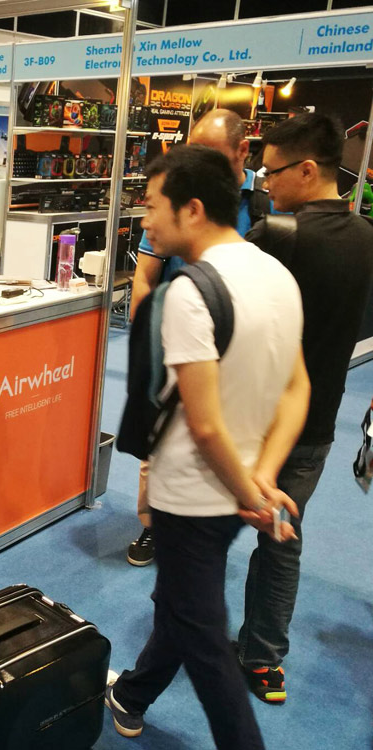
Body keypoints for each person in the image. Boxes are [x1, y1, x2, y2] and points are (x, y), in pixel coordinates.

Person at [103, 145, 308, 749]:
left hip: (192, 494)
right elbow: (298, 388)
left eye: (152, 206)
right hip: (233, 491)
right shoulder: (277, 274)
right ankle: (133, 693)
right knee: (182, 604)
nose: (146, 221)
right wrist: (262, 477)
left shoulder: (191, 292)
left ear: (192, 209)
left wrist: (254, 495)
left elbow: (205, 425)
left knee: (205, 642)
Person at [233, 113, 373, 703]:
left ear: (308, 170)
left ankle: (176, 649)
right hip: (317, 423)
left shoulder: (277, 233)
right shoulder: (367, 237)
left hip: (252, 421)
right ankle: (265, 659)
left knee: (198, 533)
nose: (265, 183)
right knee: (282, 537)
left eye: (272, 172)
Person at [125, 108, 272, 567]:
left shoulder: (264, 204)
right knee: (162, 436)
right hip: (176, 340)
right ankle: (152, 524)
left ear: (242, 151)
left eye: (211, 153)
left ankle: (212, 526)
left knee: (218, 435)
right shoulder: (174, 198)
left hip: (235, 350)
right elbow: (145, 277)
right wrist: (147, 344)